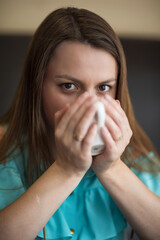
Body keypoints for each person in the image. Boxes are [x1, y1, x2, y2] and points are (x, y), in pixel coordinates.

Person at [0, 7, 160, 240]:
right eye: (69, 86)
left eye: (103, 87)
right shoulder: (7, 152)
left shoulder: (135, 157)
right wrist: (68, 169)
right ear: (37, 86)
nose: (90, 105)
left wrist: (111, 168)